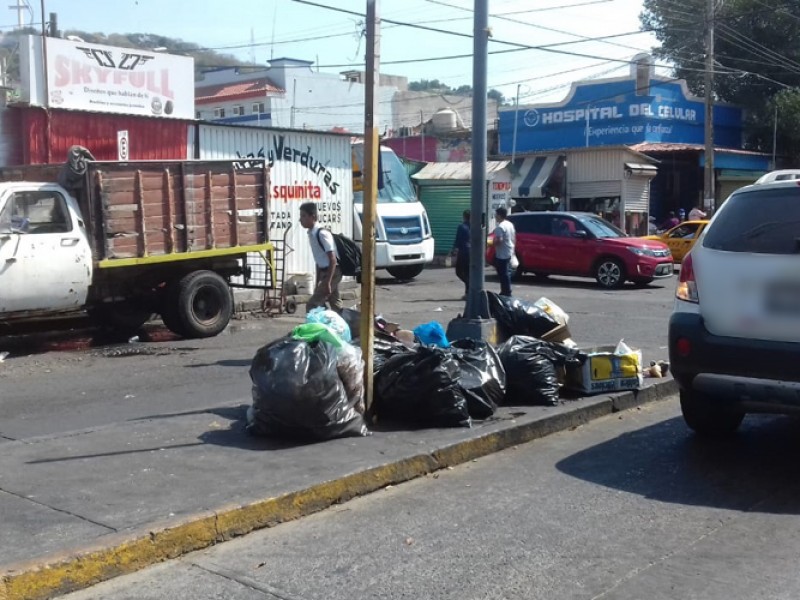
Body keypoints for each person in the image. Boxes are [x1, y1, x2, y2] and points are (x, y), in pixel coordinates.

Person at [299, 202, 342, 314]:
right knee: (335, 304)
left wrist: (327, 282)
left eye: (304, 216)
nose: (301, 220)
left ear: (313, 216)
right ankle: (341, 325)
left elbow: (333, 260)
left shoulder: (322, 234)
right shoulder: (311, 234)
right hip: (325, 272)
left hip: (333, 272)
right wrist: (318, 282)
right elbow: (319, 261)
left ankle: (328, 324)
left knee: (313, 305)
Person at [493, 206, 516, 297]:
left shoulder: (500, 227)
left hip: (502, 253)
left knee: (503, 273)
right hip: (509, 250)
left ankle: (506, 291)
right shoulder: (509, 224)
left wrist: (491, 243)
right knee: (506, 272)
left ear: (499, 215)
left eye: (496, 215)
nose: (495, 217)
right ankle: (506, 290)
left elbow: (499, 240)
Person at [452, 209, 471, 300]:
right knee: (467, 272)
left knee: (459, 272)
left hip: (463, 252)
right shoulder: (474, 226)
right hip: (472, 252)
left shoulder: (461, 226)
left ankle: (470, 287)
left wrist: (454, 251)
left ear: (464, 217)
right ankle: (468, 293)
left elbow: (458, 240)